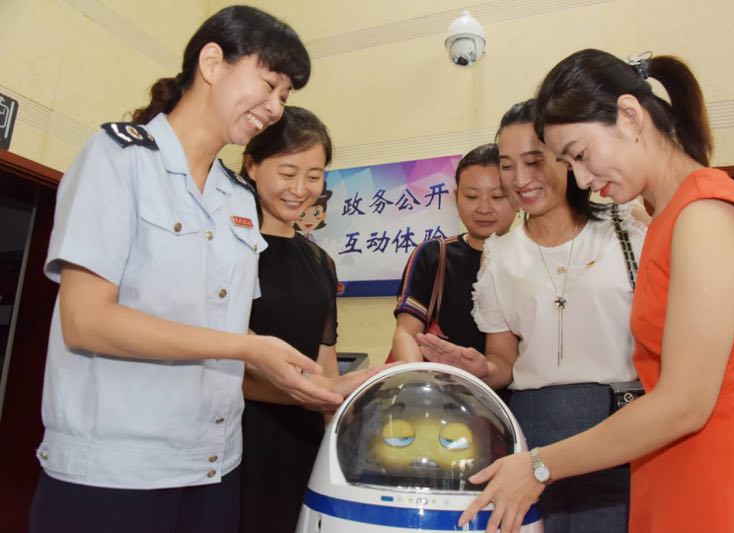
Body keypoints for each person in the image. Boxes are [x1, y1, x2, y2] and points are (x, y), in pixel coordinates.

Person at [454, 50, 734, 533]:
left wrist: (539, 466)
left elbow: (684, 403)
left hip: (719, 487)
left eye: (580, 154)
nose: (581, 179)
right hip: (664, 473)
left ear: (630, 116)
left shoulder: (705, 214)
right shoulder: (668, 219)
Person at [28, 7, 343, 533]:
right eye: (269, 86)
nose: (274, 109)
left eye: (284, 97)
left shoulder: (236, 200)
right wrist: (247, 348)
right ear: (213, 63)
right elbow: (86, 321)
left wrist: (319, 385)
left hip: (214, 470)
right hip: (114, 473)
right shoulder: (118, 159)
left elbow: (221, 329)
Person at [417, 99, 648, 533]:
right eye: (507, 165)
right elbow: (503, 361)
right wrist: (481, 369)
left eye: (534, 160)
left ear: (567, 156)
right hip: (533, 432)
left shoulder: (627, 228)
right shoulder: (500, 255)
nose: (520, 179)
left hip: (622, 429)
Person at [238, 106, 374, 532]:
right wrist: (318, 394)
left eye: (314, 176)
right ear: (252, 166)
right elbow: (217, 359)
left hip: (304, 440)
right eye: (287, 172)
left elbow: (324, 361)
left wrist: (334, 423)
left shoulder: (319, 261)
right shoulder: (230, 246)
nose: (300, 190)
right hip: (236, 438)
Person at [391, 143, 517, 367]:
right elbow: (406, 334)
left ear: (519, 199)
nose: (484, 208)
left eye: (497, 196)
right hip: (444, 385)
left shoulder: (533, 257)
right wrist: (415, 375)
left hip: (520, 388)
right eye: (472, 196)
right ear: (456, 197)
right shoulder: (433, 256)